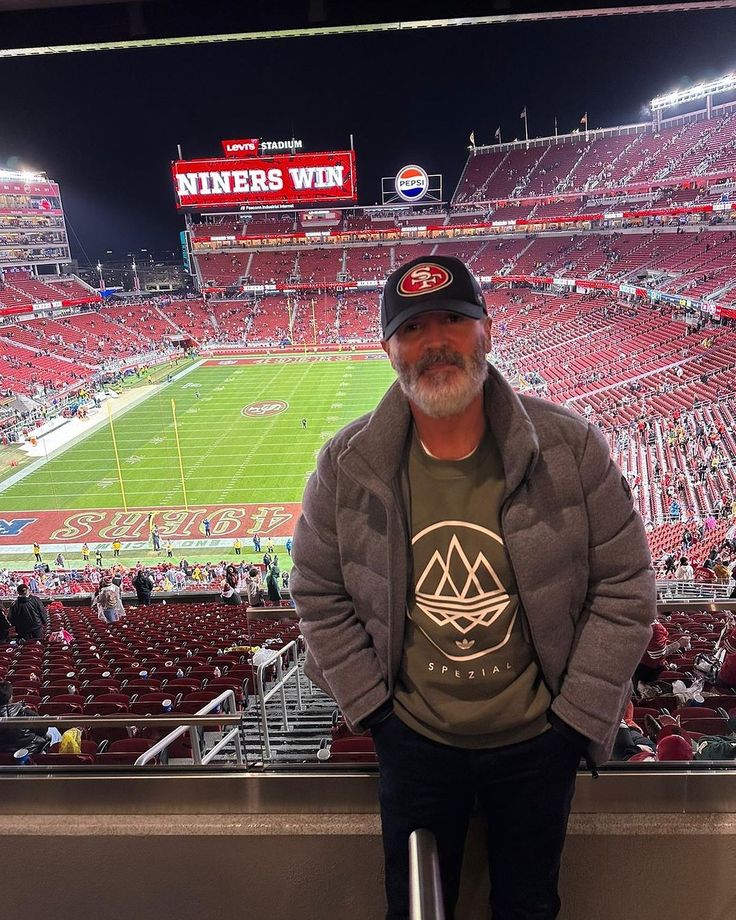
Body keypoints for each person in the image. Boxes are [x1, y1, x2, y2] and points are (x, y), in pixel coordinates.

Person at [291, 255, 656, 920]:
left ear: (486, 330)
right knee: (415, 910)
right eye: (413, 328)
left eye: (452, 321)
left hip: (538, 744)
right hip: (415, 744)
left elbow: (626, 587)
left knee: (529, 907)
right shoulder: (345, 465)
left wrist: (575, 720)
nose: (434, 341)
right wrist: (374, 711)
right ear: (388, 349)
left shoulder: (570, 448)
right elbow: (318, 592)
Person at [0, 681, 50, 757]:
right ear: (11, 697)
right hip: (28, 754)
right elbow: (43, 730)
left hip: (3, 757)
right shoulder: (24, 712)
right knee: (53, 732)